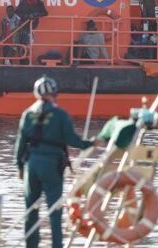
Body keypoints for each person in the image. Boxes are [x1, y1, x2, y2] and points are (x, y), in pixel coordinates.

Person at [14, 76, 99, 248]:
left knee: (31, 211)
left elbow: (20, 143)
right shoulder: (60, 115)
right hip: (52, 164)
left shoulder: (27, 114)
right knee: (54, 211)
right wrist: (90, 143)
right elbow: (72, 140)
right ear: (55, 92)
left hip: (32, 165)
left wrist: (20, 167)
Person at [16, 0, 48, 64]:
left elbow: (45, 13)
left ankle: (27, 62)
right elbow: (17, 12)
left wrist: (35, 14)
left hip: (32, 28)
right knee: (21, 47)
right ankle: (22, 62)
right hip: (23, 27)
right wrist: (25, 16)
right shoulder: (23, 2)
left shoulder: (40, 3)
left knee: (28, 47)